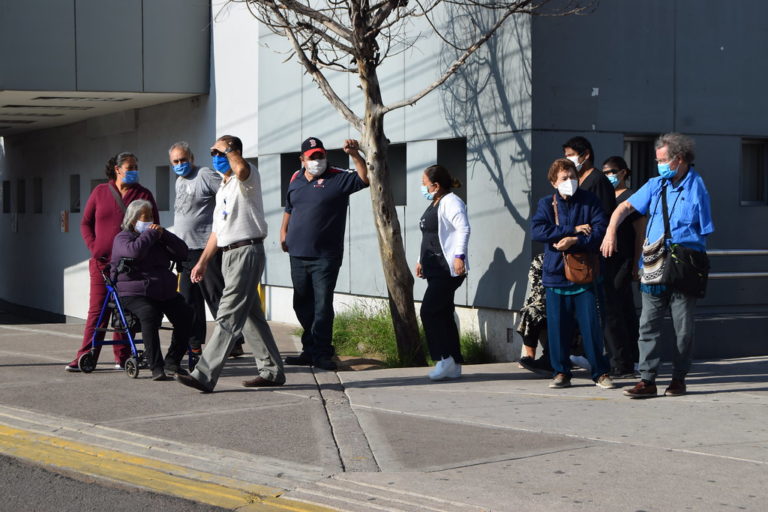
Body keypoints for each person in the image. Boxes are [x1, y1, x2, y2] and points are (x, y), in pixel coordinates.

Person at [601, 133, 714, 398]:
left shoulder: (697, 187)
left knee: (682, 329)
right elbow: (625, 207)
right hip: (652, 264)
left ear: (680, 159)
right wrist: (611, 231)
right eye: (657, 159)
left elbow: (704, 230)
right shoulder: (655, 185)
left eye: (663, 160)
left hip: (683, 266)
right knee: (647, 325)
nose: (659, 164)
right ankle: (647, 379)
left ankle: (678, 378)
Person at [176, 135, 285, 393]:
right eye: (213, 153)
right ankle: (272, 371)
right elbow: (217, 231)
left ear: (233, 153)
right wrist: (202, 262)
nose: (216, 158)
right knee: (250, 317)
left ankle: (203, 374)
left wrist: (230, 150)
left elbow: (241, 168)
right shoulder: (224, 187)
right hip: (228, 254)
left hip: (246, 251)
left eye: (221, 153)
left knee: (227, 314)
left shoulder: (246, 178)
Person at [280, 137, 369, 371]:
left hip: (325, 257)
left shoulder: (337, 177)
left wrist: (355, 155)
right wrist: (283, 231)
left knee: (322, 306)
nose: (317, 160)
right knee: (302, 303)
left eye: (321, 155)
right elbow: (290, 208)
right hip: (297, 254)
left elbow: (365, 178)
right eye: (312, 157)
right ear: (302, 159)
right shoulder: (295, 179)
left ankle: (322, 352)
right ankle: (309, 350)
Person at [66, 153, 159, 372]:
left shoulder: (143, 194)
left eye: (136, 166)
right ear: (117, 169)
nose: (134, 170)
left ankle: (123, 355)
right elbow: (85, 223)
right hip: (102, 263)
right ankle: (86, 355)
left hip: (131, 263)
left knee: (126, 310)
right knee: (97, 311)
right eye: (130, 167)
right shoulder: (100, 192)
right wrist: (94, 246)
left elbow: (153, 226)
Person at [531, 158, 614, 390]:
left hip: (585, 274)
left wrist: (574, 241)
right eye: (564, 178)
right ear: (553, 182)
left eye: (573, 177)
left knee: (591, 326)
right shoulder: (546, 204)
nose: (570, 182)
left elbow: (599, 232)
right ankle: (561, 372)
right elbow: (537, 230)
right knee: (557, 328)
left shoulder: (590, 201)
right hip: (555, 274)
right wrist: (571, 230)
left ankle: (600, 372)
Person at [167, 142, 244, 358]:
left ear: (191, 158)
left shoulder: (204, 174)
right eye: (176, 161)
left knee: (216, 296)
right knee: (189, 301)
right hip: (185, 251)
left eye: (183, 160)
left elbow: (227, 195)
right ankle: (194, 344)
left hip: (206, 249)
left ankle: (234, 340)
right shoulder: (179, 180)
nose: (180, 164)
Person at [111, 200, 192, 380]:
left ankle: (173, 361)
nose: (150, 221)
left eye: (151, 217)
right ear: (133, 220)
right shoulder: (122, 238)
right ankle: (156, 365)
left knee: (186, 314)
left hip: (164, 291)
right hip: (134, 292)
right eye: (145, 217)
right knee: (149, 314)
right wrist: (149, 234)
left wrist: (164, 235)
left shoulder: (157, 238)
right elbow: (134, 253)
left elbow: (182, 251)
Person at [415, 165, 470, 380]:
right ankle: (454, 363)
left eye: (424, 183)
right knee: (444, 313)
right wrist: (421, 260)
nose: (422, 187)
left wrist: (460, 257)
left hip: (447, 268)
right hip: (434, 268)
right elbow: (430, 235)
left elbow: (463, 228)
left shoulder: (451, 202)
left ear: (436, 186)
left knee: (429, 311)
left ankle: (443, 358)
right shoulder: (435, 203)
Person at [601, 156, 646, 377]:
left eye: (613, 171)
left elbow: (641, 232)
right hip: (608, 261)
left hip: (625, 260)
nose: (609, 175)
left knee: (615, 309)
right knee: (625, 309)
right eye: (606, 172)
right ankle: (633, 356)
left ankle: (623, 360)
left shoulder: (631, 198)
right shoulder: (606, 197)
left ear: (624, 172)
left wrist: (638, 262)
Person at [516, 253, 553, 377]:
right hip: (543, 301)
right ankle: (529, 356)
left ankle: (553, 358)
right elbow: (537, 288)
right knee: (531, 312)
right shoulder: (541, 259)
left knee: (562, 312)